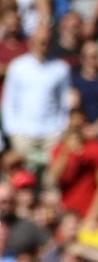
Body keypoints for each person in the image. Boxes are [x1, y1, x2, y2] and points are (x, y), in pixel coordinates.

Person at [1, 27, 70, 172]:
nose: (43, 46)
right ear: (32, 42)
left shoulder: (60, 68)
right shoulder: (18, 66)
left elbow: (64, 101)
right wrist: (12, 129)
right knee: (24, 179)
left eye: (46, 42)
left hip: (51, 133)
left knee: (49, 180)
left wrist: (61, 127)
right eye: (40, 42)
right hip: (23, 133)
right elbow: (9, 101)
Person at [48, 108, 98, 227]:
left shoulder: (96, 148)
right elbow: (52, 178)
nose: (77, 128)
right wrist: (65, 152)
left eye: (80, 124)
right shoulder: (60, 149)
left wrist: (93, 215)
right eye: (74, 124)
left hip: (88, 213)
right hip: (65, 213)